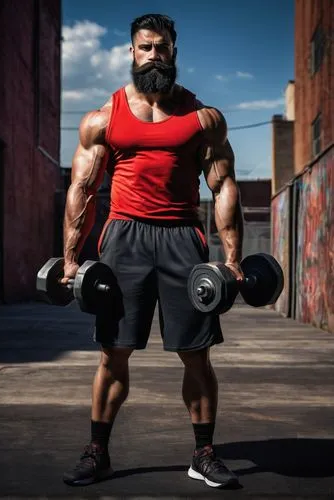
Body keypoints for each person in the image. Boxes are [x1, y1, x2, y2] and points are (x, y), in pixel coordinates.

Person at [62, 13, 244, 489]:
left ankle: (203, 454)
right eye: (145, 47)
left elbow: (223, 185)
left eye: (162, 47)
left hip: (183, 238)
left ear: (174, 52)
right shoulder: (105, 118)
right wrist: (69, 258)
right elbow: (81, 188)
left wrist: (232, 259)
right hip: (125, 239)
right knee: (113, 353)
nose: (154, 55)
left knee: (197, 354)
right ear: (132, 52)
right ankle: (97, 452)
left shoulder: (203, 118)